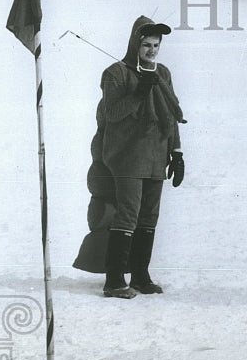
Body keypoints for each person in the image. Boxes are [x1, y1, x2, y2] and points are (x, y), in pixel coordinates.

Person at [73, 16, 186, 298]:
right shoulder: (116, 73)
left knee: (149, 217)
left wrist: (176, 152)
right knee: (127, 216)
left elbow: (170, 117)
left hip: (156, 158)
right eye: (146, 44)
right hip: (126, 157)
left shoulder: (164, 74)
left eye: (156, 45)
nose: (152, 50)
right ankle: (114, 280)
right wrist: (139, 92)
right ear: (135, 43)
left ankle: (140, 275)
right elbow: (112, 114)